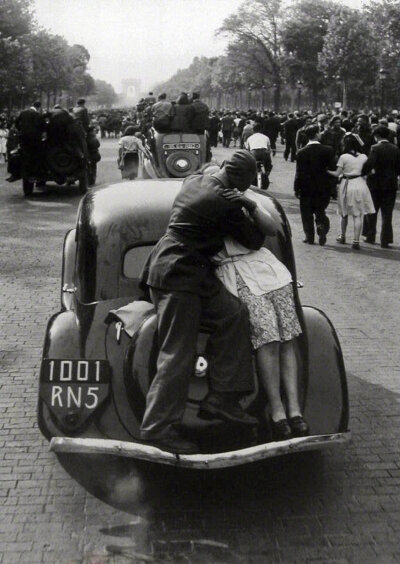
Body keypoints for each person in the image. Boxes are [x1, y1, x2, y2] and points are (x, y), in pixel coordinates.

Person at [139, 150, 267, 454]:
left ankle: (221, 397)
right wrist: (246, 202)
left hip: (181, 269)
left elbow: (208, 174)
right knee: (176, 353)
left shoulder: (195, 180)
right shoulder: (226, 202)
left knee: (234, 314)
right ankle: (157, 428)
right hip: (180, 276)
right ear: (240, 182)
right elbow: (254, 239)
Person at [213, 191, 308, 441]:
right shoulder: (207, 205)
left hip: (270, 270)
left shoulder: (246, 199)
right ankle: (277, 410)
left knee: (288, 336)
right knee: (267, 338)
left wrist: (250, 204)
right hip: (235, 271)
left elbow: (272, 228)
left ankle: (295, 409)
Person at [327, 133, 375, 250]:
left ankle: (342, 236)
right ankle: (356, 240)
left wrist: (326, 171)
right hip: (360, 184)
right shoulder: (363, 156)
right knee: (358, 214)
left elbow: (337, 174)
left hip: (347, 184)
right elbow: (370, 172)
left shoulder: (343, 157)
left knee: (344, 213)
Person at [294, 125, 336, 245]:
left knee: (306, 213)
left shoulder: (301, 152)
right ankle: (321, 225)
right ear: (317, 134)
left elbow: (299, 172)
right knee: (320, 210)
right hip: (323, 186)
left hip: (306, 187)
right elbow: (332, 169)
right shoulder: (328, 150)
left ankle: (309, 236)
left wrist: (296, 188)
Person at [362, 125, 400, 248]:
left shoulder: (375, 148)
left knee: (372, 211)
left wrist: (364, 172)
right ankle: (386, 239)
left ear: (376, 136)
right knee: (387, 214)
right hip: (391, 184)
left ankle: (370, 235)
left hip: (375, 184)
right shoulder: (395, 149)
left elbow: (369, 164)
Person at [15, 100, 45, 180]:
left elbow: (16, 122)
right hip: (34, 138)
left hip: (23, 137)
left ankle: (24, 172)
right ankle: (35, 172)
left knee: (24, 153)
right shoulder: (37, 114)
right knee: (36, 154)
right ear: (39, 107)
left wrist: (20, 130)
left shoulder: (23, 112)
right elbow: (42, 126)